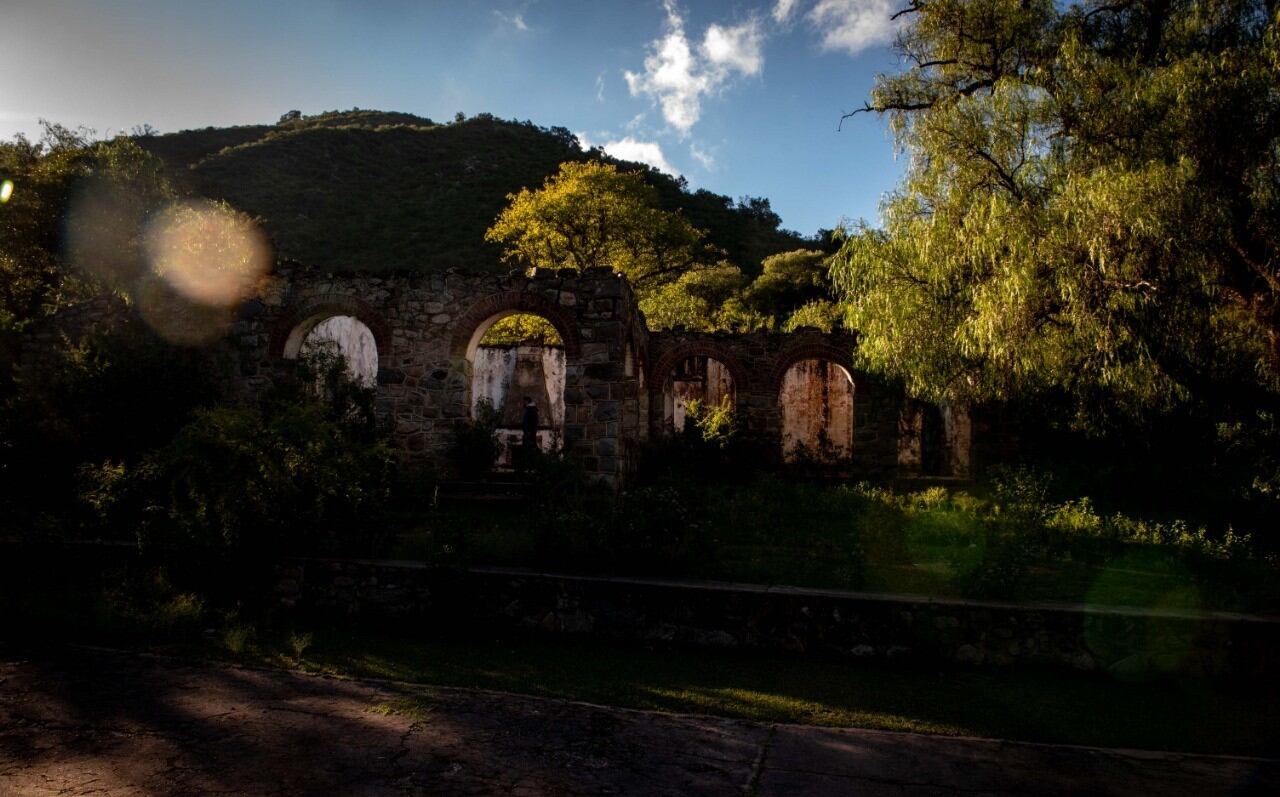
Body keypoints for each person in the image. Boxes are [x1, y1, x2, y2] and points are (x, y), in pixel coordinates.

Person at [519, 396, 538, 471]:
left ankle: (531, 465)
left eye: (524, 401)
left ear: (527, 401)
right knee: (529, 448)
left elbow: (533, 422)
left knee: (530, 448)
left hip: (529, 433)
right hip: (528, 432)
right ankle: (529, 465)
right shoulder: (529, 409)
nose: (523, 403)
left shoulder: (531, 410)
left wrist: (528, 432)